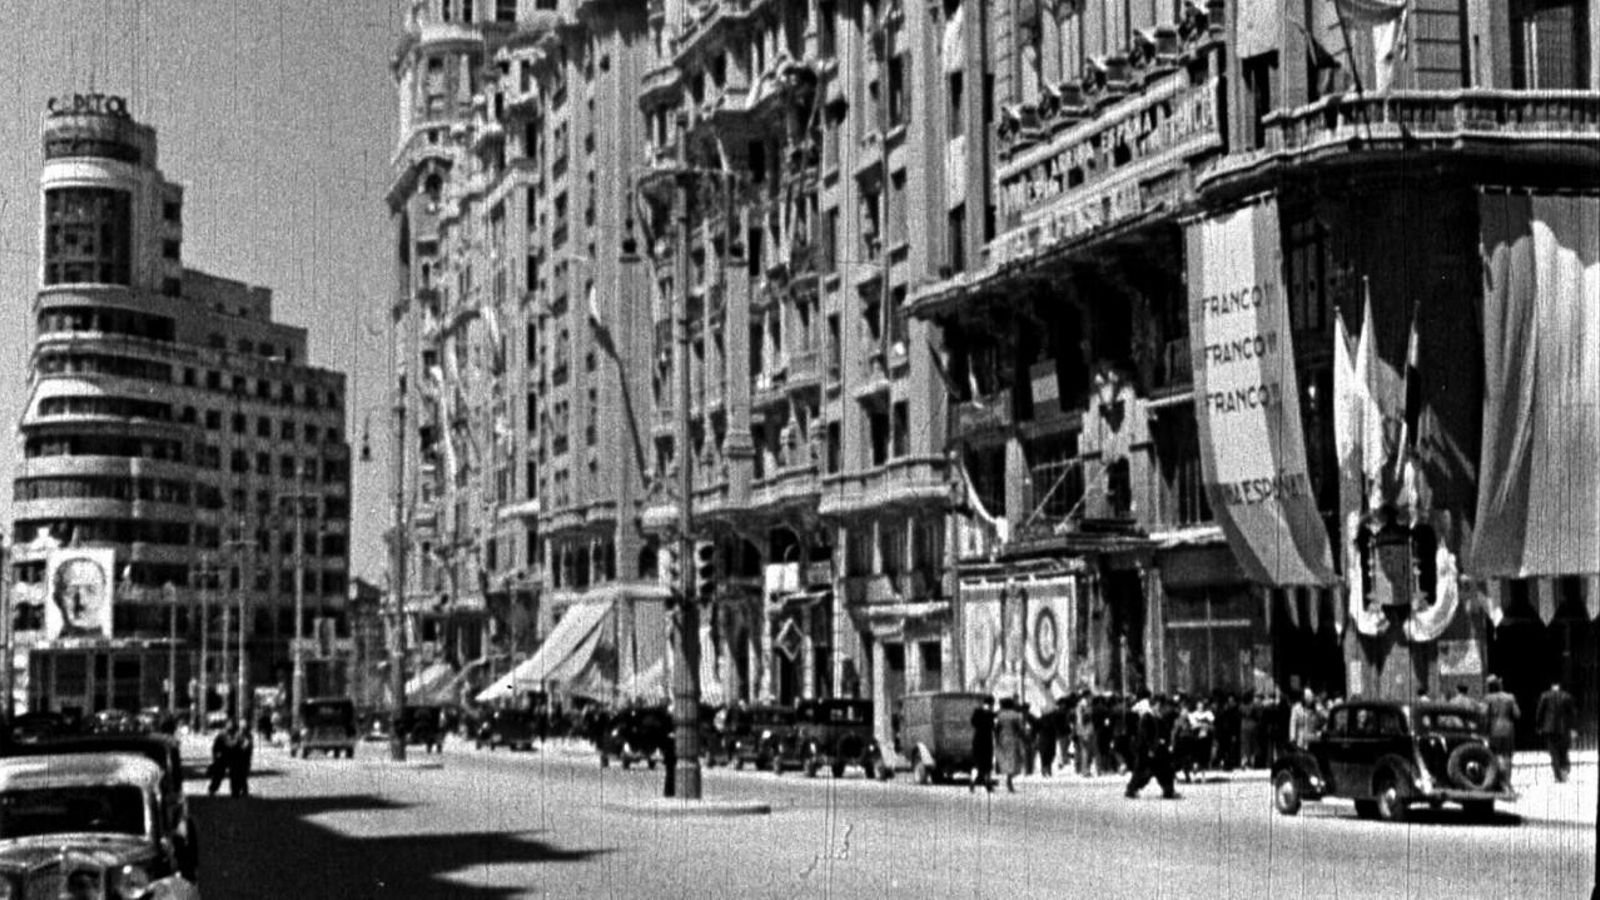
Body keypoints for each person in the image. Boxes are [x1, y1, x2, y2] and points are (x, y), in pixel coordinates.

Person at [1125, 692, 1179, 800]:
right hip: (1147, 750)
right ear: (1156, 704)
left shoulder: (1155, 716)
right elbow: (1144, 735)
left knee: (1164, 770)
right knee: (1143, 772)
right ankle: (1131, 790)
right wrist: (1150, 748)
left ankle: (1168, 790)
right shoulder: (1147, 717)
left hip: (1156, 749)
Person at [1535, 680, 1578, 783]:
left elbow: (1540, 712)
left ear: (1551, 686)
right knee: (1563, 751)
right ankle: (1564, 771)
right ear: (1560, 686)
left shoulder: (1545, 696)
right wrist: (1573, 728)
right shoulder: (1566, 696)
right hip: (1563, 729)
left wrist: (1539, 726)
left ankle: (1557, 776)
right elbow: (1572, 713)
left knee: (1553, 752)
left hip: (1549, 728)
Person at [1482, 675, 1521, 777]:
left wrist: (1484, 729)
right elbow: (1517, 714)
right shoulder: (1510, 697)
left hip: (1494, 729)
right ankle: (1507, 780)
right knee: (1507, 755)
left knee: (1494, 755)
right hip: (1508, 729)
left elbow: (1484, 714)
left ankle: (1498, 779)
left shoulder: (1488, 699)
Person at [994, 697, 1028, 793]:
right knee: (1016, 759)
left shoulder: (1000, 715)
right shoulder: (1016, 715)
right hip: (1013, 738)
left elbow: (997, 728)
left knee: (1007, 759)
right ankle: (1009, 779)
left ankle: (1008, 778)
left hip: (1003, 738)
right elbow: (1019, 728)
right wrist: (1025, 737)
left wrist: (997, 739)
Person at [969, 696, 995, 793]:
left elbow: (973, 722)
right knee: (987, 764)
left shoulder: (978, 712)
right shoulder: (989, 714)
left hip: (978, 740)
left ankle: (972, 781)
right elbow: (992, 726)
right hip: (986, 741)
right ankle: (988, 784)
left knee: (977, 763)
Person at [208, 720, 238, 796]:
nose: (230, 726)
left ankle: (235, 791)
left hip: (233, 757)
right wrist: (216, 756)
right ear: (226, 725)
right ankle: (212, 789)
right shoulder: (222, 734)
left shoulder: (237, 734)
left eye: (232, 724)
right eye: (229, 724)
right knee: (218, 774)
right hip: (223, 757)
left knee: (234, 775)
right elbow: (215, 747)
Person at [230, 722, 255, 797]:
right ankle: (237, 791)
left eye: (244, 728)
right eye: (241, 728)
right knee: (238, 775)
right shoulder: (238, 735)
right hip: (238, 759)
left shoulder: (248, 737)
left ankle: (242, 791)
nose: (242, 730)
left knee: (242, 776)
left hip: (244, 759)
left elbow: (246, 747)